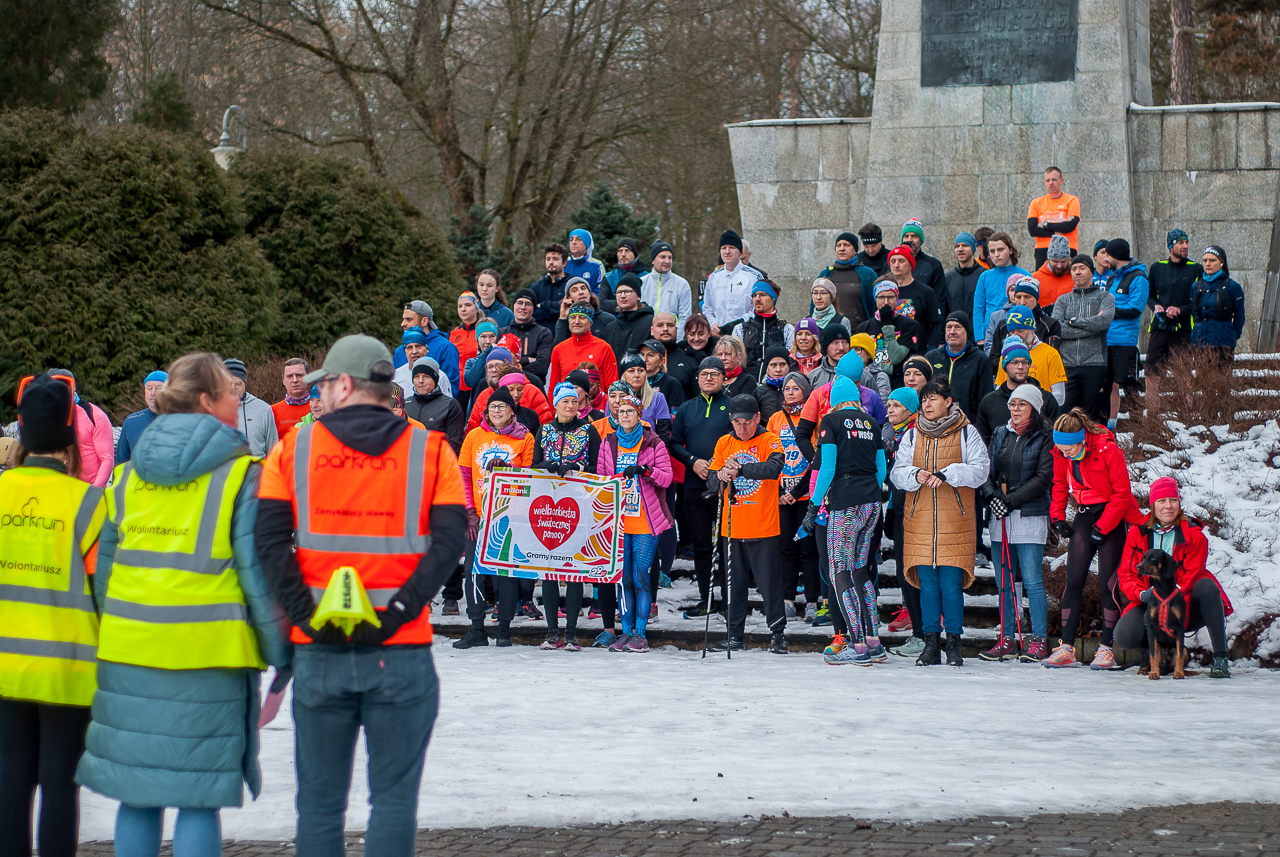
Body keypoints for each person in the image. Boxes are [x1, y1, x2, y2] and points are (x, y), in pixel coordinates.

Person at [254, 337, 463, 855]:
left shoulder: (294, 448)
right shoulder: (430, 449)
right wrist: (398, 612)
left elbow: (269, 541)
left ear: (345, 385)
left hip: (321, 648)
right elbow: (449, 543)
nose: (318, 393)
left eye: (324, 383)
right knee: (393, 804)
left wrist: (307, 615)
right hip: (401, 649)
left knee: (319, 807)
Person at [78, 353, 289, 857]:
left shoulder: (127, 477)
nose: (237, 398)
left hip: (129, 654)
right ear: (207, 401)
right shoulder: (242, 475)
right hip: (209, 658)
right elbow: (257, 573)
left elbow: (105, 577)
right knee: (199, 799)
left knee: (137, 795)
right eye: (229, 391)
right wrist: (281, 649)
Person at [0, 374, 106, 857]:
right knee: (61, 786)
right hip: (68, 670)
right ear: (70, 436)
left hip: (5, 668)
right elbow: (104, 594)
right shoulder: (89, 504)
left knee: (9, 782)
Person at [890, 380, 989, 667]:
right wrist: (915, 475)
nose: (927, 405)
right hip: (919, 520)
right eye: (924, 400)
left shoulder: (967, 431)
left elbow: (981, 471)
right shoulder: (912, 435)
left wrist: (949, 473)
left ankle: (954, 645)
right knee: (928, 587)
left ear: (948, 401)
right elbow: (897, 474)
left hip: (955, 521)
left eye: (933, 399)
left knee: (951, 585)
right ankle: (931, 644)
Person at [1044, 408, 1143, 669]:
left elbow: (1122, 493)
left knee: (1108, 584)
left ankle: (1106, 649)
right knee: (1073, 580)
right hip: (1086, 513)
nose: (1066, 455)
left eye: (1069, 449)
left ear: (1082, 440)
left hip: (1113, 513)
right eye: (1061, 450)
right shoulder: (1061, 452)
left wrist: (1103, 526)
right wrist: (1058, 518)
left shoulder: (1107, 449)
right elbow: (1059, 485)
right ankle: (1066, 648)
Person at [804, 375, 889, 665]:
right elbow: (881, 469)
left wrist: (814, 504)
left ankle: (857, 645)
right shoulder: (872, 423)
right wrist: (869, 491)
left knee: (840, 572)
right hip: (871, 503)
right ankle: (874, 640)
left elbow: (827, 467)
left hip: (845, 503)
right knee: (861, 571)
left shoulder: (831, 421)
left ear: (834, 400)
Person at [1114, 477, 1234, 679]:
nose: (1168, 506)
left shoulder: (1195, 536)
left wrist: (1170, 596)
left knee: (1207, 586)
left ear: (1179, 503)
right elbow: (1126, 573)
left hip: (1183, 602)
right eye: (1162, 501)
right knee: (1125, 635)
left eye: (1173, 500)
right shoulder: (1137, 533)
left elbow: (1192, 573)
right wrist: (1143, 594)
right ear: (1153, 505)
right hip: (1150, 601)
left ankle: (1220, 657)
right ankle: (1158, 655)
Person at [452, 387, 536, 649]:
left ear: (512, 410)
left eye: (502, 406)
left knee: (507, 573)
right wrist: (469, 512)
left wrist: (508, 470)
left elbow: (531, 478)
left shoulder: (525, 438)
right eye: (492, 407)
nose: (496, 411)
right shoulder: (474, 436)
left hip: (510, 516)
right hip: (478, 515)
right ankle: (477, 628)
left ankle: (504, 629)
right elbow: (464, 476)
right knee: (472, 571)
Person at [978, 383, 1053, 663]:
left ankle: (1039, 639)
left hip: (1029, 514)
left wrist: (1011, 500)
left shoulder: (1045, 435)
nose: (1016, 409)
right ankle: (1007, 638)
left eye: (1022, 404)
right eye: (1012, 404)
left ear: (1034, 408)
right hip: (1001, 516)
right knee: (1004, 582)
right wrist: (991, 496)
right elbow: (986, 470)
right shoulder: (1001, 432)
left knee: (1032, 580)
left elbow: (1043, 477)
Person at [706, 394, 786, 653]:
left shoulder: (769, 439)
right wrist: (721, 474)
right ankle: (734, 636)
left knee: (770, 585)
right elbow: (710, 481)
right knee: (733, 585)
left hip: (764, 526)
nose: (742, 428)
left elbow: (774, 468)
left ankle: (777, 635)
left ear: (758, 418)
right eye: (737, 422)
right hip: (732, 527)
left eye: (747, 422)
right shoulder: (724, 442)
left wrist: (741, 470)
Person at [596, 392, 673, 653]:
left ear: (639, 415)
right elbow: (601, 480)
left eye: (630, 411)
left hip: (645, 521)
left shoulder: (653, 442)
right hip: (619, 521)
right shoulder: (609, 442)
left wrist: (645, 471)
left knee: (641, 577)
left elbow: (666, 477)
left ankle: (640, 634)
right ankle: (626, 632)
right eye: (621, 411)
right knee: (624, 579)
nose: (625, 415)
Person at [532, 383, 603, 651]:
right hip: (549, 508)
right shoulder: (544, 430)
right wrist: (546, 466)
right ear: (556, 404)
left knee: (574, 569)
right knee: (550, 568)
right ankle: (552, 630)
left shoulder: (588, 430)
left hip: (579, 505)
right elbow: (534, 464)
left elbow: (598, 466)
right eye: (565, 401)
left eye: (574, 401)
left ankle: (571, 631)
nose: (571, 406)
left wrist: (578, 466)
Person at [671, 357, 733, 616]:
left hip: (726, 485)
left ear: (723, 379)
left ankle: (729, 600)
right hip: (694, 484)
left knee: (727, 544)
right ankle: (706, 599)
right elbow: (675, 443)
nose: (708, 378)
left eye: (714, 374)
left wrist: (723, 466)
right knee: (701, 545)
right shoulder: (687, 408)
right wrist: (692, 461)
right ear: (697, 379)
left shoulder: (732, 406)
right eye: (704, 374)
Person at [766, 371, 819, 621]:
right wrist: (779, 491)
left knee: (808, 549)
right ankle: (787, 599)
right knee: (786, 548)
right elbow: (768, 455)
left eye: (795, 388)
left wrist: (797, 491)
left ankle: (812, 600)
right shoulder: (775, 419)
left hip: (806, 493)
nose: (790, 392)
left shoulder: (812, 418)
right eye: (786, 388)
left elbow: (817, 458)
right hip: (780, 493)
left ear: (805, 392)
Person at [883, 386, 924, 656]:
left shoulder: (916, 434)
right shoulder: (892, 434)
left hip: (914, 510)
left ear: (910, 410)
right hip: (898, 507)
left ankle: (922, 633)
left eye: (896, 405)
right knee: (902, 573)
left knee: (912, 573)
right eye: (889, 405)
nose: (890, 410)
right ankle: (919, 632)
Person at [1052, 254, 1115, 419]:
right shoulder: (1063, 300)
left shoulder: (1105, 297)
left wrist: (1074, 322)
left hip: (1095, 364)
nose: (1077, 272)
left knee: (1093, 417)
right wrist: (1092, 328)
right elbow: (1057, 329)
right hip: (1067, 365)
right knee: (1066, 417)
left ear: (1091, 272)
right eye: (1074, 269)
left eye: (1082, 268)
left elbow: (1103, 322)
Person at [1145, 229, 1202, 408]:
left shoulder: (1196, 268)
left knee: (1183, 376)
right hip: (1159, 328)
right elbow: (1149, 295)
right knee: (1151, 376)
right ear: (1171, 246)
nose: (1185, 246)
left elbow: (1198, 302)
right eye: (1180, 242)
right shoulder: (1157, 267)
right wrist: (1155, 306)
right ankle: (1152, 418)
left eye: (1187, 242)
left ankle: (1187, 416)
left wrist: (1180, 310)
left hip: (1183, 330)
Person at [974, 339, 1060, 442]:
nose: (1020, 367)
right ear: (1005, 366)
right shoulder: (990, 402)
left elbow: (1055, 437)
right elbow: (982, 440)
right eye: (1014, 362)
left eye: (1025, 362)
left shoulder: (1046, 399)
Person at [1103, 239, 1149, 430]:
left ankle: (1140, 428)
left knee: (1129, 387)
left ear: (1115, 255)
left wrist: (1110, 311)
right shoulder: (1112, 277)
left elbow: (1135, 309)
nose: (1105, 259)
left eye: (1107, 255)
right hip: (1107, 340)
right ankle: (1110, 426)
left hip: (1125, 342)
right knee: (1108, 385)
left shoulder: (1138, 277)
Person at [46, 369, 113, 487]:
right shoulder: (48, 417)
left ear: (73, 388)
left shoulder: (94, 415)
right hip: (62, 490)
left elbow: (107, 459)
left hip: (90, 489)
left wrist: (93, 491)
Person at [923, 311, 994, 422]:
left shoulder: (979, 359)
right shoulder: (931, 357)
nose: (952, 332)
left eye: (957, 327)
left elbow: (985, 398)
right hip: (935, 424)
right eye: (949, 327)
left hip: (967, 424)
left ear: (966, 332)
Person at [993, 308, 1067, 406]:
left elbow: (1059, 396)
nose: (1016, 335)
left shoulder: (1051, 354)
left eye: (1021, 331)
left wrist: (1035, 407)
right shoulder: (1006, 355)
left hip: (1041, 412)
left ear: (1032, 329)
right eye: (1012, 331)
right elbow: (999, 390)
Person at [986, 276, 1063, 369]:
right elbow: (993, 361)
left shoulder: (1050, 325)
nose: (1022, 302)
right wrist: (1012, 368)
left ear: (1036, 298)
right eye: (1018, 297)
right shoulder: (1003, 325)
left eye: (1027, 297)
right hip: (1008, 376)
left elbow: (1052, 359)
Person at [723, 281, 793, 382]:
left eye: (763, 295)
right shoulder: (740, 329)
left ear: (773, 298)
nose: (757, 299)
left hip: (776, 386)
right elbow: (734, 361)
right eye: (754, 295)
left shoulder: (787, 329)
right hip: (746, 386)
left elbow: (791, 361)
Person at [855, 282, 920, 388]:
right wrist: (889, 368)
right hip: (871, 381)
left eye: (890, 297)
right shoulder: (864, 327)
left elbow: (896, 357)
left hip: (898, 381)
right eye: (881, 297)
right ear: (875, 299)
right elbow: (861, 360)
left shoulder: (909, 325)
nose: (886, 302)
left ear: (896, 298)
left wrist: (887, 324)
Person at [1190, 245, 1246, 365]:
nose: (1208, 264)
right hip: (1200, 342)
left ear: (1221, 263)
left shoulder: (1232, 286)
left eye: (1212, 260)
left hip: (1223, 343)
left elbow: (1239, 315)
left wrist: (1232, 336)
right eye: (1205, 260)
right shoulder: (1196, 286)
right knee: (1202, 375)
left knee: (1221, 375)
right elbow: (1194, 313)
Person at [972, 232, 1032, 342]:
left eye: (1000, 249)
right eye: (992, 251)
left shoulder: (1025, 276)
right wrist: (980, 338)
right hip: (991, 334)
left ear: (1010, 250)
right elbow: (978, 309)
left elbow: (1032, 306)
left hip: (1018, 332)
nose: (996, 254)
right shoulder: (984, 277)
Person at [548, 303, 620, 391]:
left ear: (590, 321)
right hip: (567, 399)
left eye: (582, 317)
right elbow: (553, 387)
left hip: (596, 399)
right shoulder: (558, 349)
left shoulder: (604, 348)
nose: (577, 321)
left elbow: (612, 386)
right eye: (573, 317)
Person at [702, 229, 762, 332]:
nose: (727, 251)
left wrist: (739, 323)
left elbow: (759, 307)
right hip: (719, 334)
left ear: (740, 252)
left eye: (732, 247)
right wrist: (713, 323)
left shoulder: (754, 277)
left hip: (747, 333)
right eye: (723, 248)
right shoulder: (713, 278)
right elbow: (707, 308)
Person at [885, 243, 943, 349]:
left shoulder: (925, 292)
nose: (896, 265)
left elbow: (935, 326)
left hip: (918, 352)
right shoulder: (884, 292)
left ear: (911, 264)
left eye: (901, 261)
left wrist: (931, 352)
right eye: (893, 261)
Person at [404, 358, 465, 452]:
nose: (421, 381)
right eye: (416, 376)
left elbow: (455, 441)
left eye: (426, 376)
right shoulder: (405, 405)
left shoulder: (449, 405)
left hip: (437, 458)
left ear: (435, 379)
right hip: (407, 458)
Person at [815, 232, 875, 328]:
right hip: (829, 332)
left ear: (855, 250)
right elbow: (814, 305)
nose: (842, 248)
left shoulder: (868, 274)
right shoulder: (826, 274)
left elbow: (874, 305)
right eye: (839, 245)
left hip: (859, 332)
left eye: (846, 245)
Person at [222, 358, 278, 457]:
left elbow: (273, 452)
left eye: (238, 384)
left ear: (245, 382)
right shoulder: (212, 410)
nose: (234, 388)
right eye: (229, 384)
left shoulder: (264, 409)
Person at [1026, 166, 1081, 267]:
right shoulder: (1036, 203)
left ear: (1061, 181)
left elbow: (1070, 226)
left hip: (1067, 247)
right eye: (1048, 180)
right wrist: (1057, 230)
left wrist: (1045, 225)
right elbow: (1032, 230)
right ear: (1044, 182)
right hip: (1043, 249)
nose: (1051, 183)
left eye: (1054, 179)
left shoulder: (1072, 200)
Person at [501, 288, 554, 389]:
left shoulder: (543, 333)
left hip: (534, 388)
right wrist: (527, 360)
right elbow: (499, 365)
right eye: (519, 303)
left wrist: (512, 365)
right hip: (507, 388)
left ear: (533, 308)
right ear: (514, 305)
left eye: (528, 304)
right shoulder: (503, 333)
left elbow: (542, 367)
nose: (523, 307)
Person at [640, 240, 693, 340]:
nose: (667, 261)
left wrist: (675, 338)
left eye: (670, 257)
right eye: (663, 257)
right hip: (646, 340)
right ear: (653, 260)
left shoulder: (682, 284)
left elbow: (685, 317)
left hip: (671, 341)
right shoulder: (641, 283)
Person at [115, 370, 167, 463]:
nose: (153, 393)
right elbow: (121, 462)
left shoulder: (180, 421)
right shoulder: (132, 422)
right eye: (149, 388)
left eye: (159, 388)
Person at [620, 352, 673, 440]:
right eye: (631, 371)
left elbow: (663, 434)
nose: (637, 375)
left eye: (641, 370)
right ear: (623, 374)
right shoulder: (615, 398)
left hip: (651, 446)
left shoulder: (657, 398)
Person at [605, 274, 656, 363]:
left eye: (627, 291)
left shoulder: (649, 322)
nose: (623, 296)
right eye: (619, 292)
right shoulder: (611, 327)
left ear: (638, 296)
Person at [898, 219, 948, 310]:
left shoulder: (933, 265)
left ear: (921, 240)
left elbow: (939, 299)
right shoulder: (891, 264)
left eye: (914, 236)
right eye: (906, 236)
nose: (909, 240)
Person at [553, 277, 617, 344]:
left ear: (589, 293)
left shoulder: (607, 319)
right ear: (569, 297)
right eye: (574, 290)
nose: (581, 292)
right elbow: (558, 348)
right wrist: (562, 318)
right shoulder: (566, 321)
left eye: (583, 288)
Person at [600, 237, 649, 314]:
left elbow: (649, 302)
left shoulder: (646, 277)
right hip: (615, 319)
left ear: (634, 254)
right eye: (620, 251)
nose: (623, 254)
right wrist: (630, 302)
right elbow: (601, 303)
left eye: (627, 250)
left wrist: (617, 301)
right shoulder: (609, 277)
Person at [531, 242, 572, 332]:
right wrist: (556, 310)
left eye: (555, 259)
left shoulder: (571, 285)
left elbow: (569, 309)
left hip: (565, 334)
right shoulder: (536, 287)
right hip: (540, 336)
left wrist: (543, 305)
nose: (551, 262)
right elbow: (531, 313)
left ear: (564, 263)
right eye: (548, 259)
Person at [450, 291, 486, 396]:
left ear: (476, 308)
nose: (463, 309)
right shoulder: (454, 333)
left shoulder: (483, 332)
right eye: (460, 306)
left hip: (477, 386)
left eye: (468, 305)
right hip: (457, 387)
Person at [943, 232, 984, 321]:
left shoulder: (983, 275)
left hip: (976, 328)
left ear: (972, 249)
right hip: (954, 328)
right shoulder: (948, 277)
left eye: (965, 245)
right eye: (957, 246)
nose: (960, 249)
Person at [271, 359, 312, 440]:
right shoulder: (272, 411)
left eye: (299, 375)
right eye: (289, 376)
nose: (295, 380)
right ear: (283, 381)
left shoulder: (321, 408)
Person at [1032, 235, 1075, 309]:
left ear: (1069, 259)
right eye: (1055, 261)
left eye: (1063, 261)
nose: (1059, 266)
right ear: (1048, 259)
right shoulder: (1035, 278)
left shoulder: (1075, 277)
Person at [754, 345, 794, 421]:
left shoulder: (797, 389)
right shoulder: (758, 392)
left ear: (788, 366)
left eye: (782, 364)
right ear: (767, 367)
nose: (778, 369)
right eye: (773, 365)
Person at [848, 333, 891, 405]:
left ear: (868, 354)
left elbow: (882, 405)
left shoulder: (879, 376)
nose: (853, 353)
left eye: (858, 349)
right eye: (850, 350)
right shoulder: (842, 373)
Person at [565, 228, 605, 294]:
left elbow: (601, 290)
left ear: (586, 243)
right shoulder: (564, 263)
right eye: (571, 240)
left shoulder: (596, 265)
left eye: (579, 239)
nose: (574, 242)